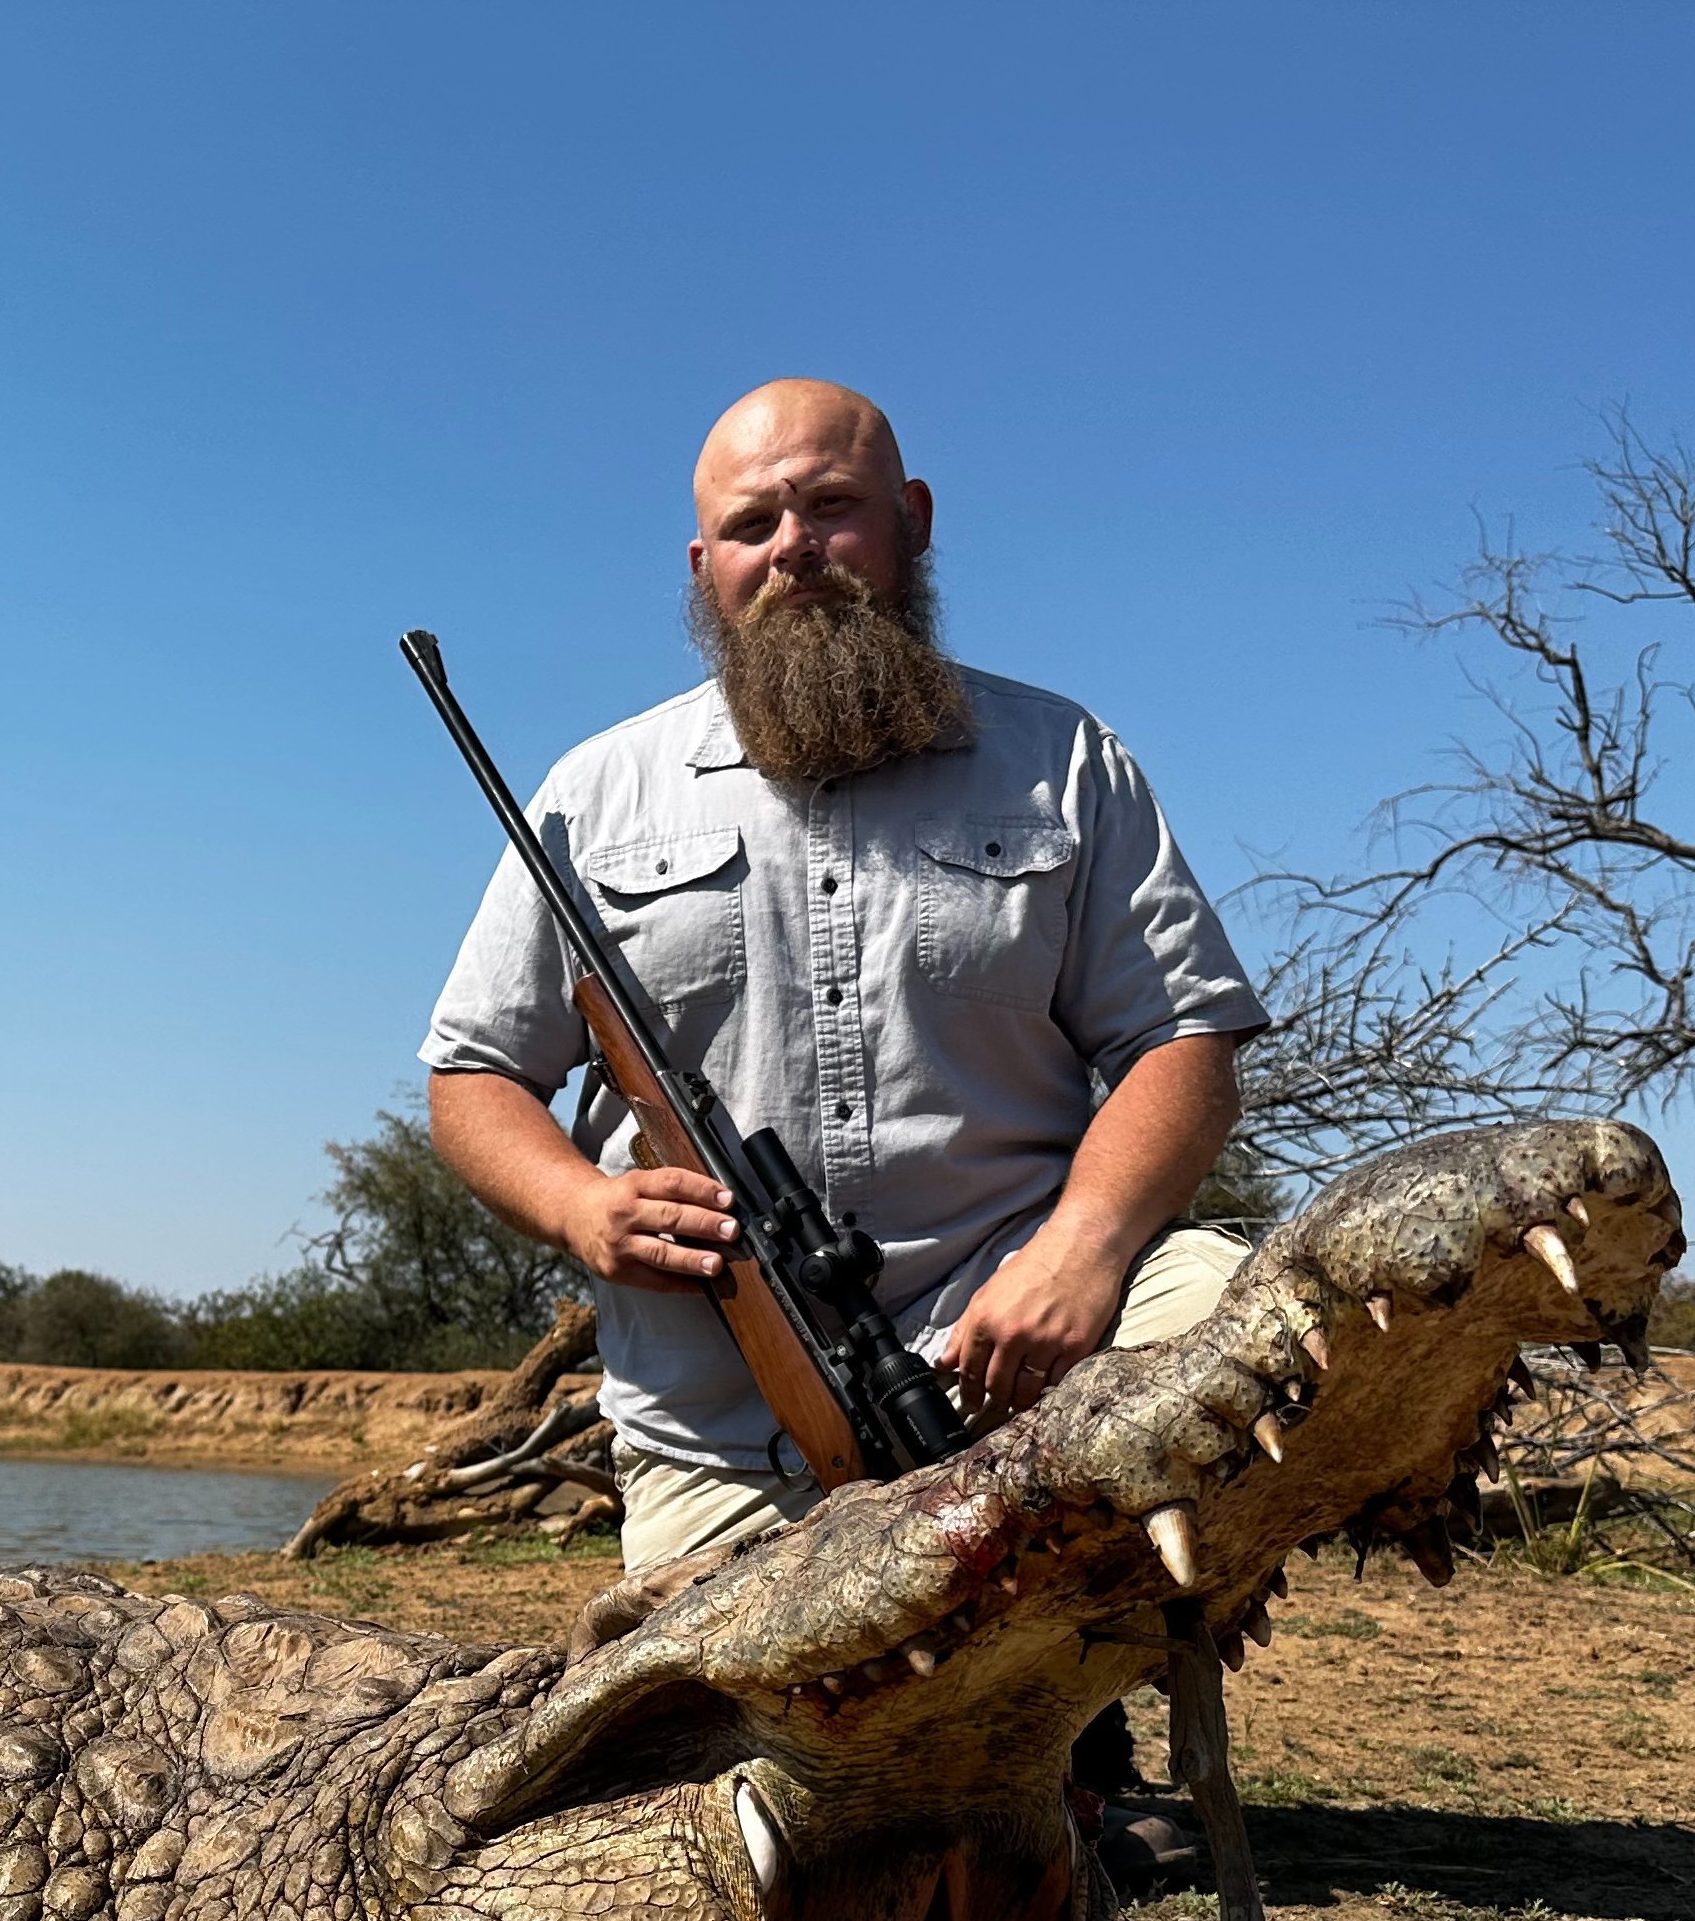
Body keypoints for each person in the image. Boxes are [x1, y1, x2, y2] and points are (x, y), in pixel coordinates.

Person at [422, 377, 1266, 1580]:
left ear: (914, 519)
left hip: (1024, 1372)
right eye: (755, 526)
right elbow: (475, 1074)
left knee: (1238, 1306)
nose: (795, 551)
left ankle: (1114, 1619)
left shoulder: (1065, 759)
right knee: (755, 1751)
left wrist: (1080, 1252)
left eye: (833, 507)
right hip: (722, 1435)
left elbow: (1183, 1041)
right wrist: (579, 1206)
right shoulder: (591, 793)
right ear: (703, 559)